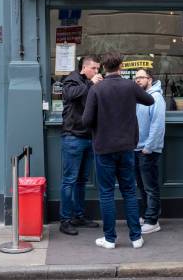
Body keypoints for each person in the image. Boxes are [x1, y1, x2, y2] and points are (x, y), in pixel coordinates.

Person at [82, 52, 154, 249]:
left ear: (104, 67)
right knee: (130, 191)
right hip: (126, 147)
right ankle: (136, 238)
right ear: (121, 66)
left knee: (106, 193)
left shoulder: (97, 89)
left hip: (104, 147)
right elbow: (150, 100)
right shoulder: (130, 86)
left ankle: (110, 238)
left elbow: (86, 120)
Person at [59, 55, 103, 235]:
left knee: (81, 181)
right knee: (69, 180)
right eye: (94, 68)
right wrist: (91, 83)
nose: (97, 72)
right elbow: (70, 95)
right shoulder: (72, 79)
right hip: (73, 138)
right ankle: (65, 220)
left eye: (98, 69)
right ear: (84, 68)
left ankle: (79, 216)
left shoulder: (91, 82)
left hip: (88, 137)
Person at [134, 68, 166, 234]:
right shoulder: (138, 97)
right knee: (142, 186)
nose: (138, 80)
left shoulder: (156, 97)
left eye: (141, 77)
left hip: (148, 149)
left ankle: (153, 220)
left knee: (150, 187)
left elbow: (157, 124)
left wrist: (149, 147)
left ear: (150, 79)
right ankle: (147, 216)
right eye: (136, 77)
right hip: (136, 148)